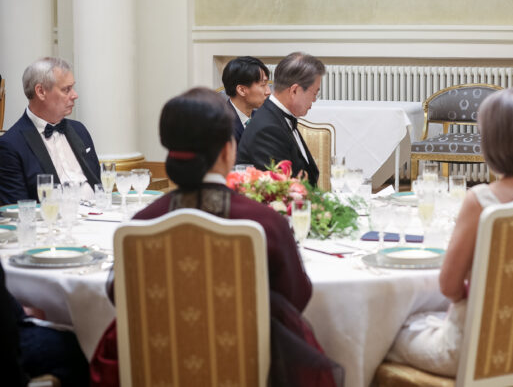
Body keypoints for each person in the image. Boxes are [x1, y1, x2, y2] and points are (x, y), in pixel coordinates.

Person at [90, 88, 341, 387]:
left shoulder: (143, 222)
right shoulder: (263, 223)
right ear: (226, 151)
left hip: (157, 369)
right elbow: (296, 296)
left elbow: (121, 295)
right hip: (246, 366)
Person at [386, 89, 513, 376]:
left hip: (476, 351)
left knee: (385, 334)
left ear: (492, 142)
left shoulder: (482, 200)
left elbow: (449, 286)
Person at [0, 58, 100, 205]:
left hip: (100, 217)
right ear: (41, 92)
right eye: (66, 89)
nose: (75, 95)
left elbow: (99, 185)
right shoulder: (11, 145)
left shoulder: (79, 130)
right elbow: (17, 210)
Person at [237, 52, 324, 186]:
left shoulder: (275, 117)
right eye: (315, 92)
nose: (314, 99)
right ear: (294, 90)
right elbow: (283, 193)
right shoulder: (268, 129)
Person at [221, 56, 271, 143]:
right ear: (241, 90)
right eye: (263, 85)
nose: (268, 92)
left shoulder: (261, 118)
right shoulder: (223, 126)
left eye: (268, 85)